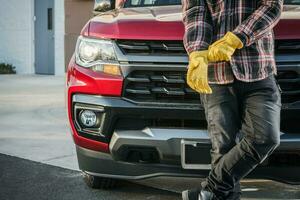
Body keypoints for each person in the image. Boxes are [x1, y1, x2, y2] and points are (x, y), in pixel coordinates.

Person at [181, 0, 284, 199]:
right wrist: (197, 52)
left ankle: (209, 191)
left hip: (259, 70)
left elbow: (272, 6)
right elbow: (195, 13)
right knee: (223, 148)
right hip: (216, 75)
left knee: (266, 138)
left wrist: (237, 38)